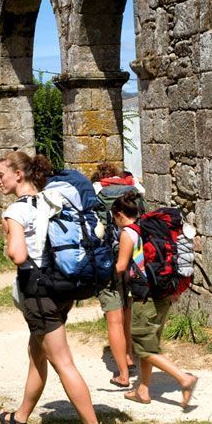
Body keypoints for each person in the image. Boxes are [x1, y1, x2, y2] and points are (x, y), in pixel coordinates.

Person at [0, 151, 106, 424]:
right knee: (37, 353)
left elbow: (18, 255)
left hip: (38, 293)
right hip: (60, 288)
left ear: (19, 175)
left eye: (1, 174)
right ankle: (20, 418)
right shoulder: (50, 200)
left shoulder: (16, 210)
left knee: (62, 362)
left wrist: (9, 237)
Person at [111, 191, 198, 409]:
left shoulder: (128, 233)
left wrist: (99, 276)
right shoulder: (150, 228)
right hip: (163, 293)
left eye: (114, 216)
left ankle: (184, 379)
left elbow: (121, 267)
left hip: (145, 297)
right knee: (150, 343)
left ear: (119, 214)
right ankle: (143, 389)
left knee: (143, 347)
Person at [89, 162, 138, 388]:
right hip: (129, 261)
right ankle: (129, 355)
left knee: (114, 317)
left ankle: (122, 374)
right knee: (127, 309)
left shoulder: (96, 196)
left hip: (108, 263)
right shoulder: (131, 191)